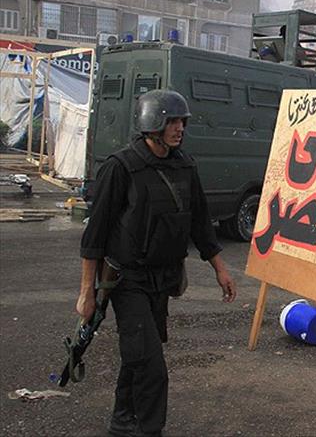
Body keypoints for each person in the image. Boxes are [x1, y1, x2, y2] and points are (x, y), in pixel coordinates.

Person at [76, 89, 237, 436]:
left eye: (182, 121)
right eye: (172, 121)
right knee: (152, 366)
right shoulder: (121, 167)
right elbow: (95, 235)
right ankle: (150, 430)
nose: (179, 128)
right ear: (152, 123)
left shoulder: (185, 165)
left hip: (163, 279)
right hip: (126, 281)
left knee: (139, 354)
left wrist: (221, 269)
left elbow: (200, 223)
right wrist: (87, 293)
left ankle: (122, 421)